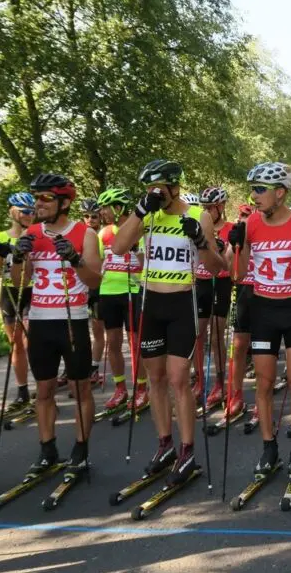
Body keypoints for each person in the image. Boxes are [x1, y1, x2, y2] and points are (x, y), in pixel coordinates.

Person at [112, 159, 224, 486]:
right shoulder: (149, 215)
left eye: (157, 187)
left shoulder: (197, 216)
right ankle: (165, 444)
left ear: (174, 186)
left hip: (181, 302)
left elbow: (216, 267)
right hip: (152, 301)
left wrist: (201, 242)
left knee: (178, 378)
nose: (153, 193)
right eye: (148, 187)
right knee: (155, 377)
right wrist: (139, 211)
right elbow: (119, 247)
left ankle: (187, 449)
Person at [231, 162, 291, 479]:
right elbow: (240, 274)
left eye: (260, 189)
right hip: (263, 310)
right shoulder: (252, 225)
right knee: (263, 382)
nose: (255, 195)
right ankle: (269, 447)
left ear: (280, 193)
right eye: (254, 189)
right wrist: (237, 245)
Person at [10, 174, 102, 477]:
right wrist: (19, 257)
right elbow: (17, 282)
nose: (38, 204)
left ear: (64, 202)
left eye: (45, 198)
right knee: (45, 390)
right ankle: (47, 449)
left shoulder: (84, 233)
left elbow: (94, 281)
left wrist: (74, 258)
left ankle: (81, 448)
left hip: (71, 320)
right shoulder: (33, 232)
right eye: (36, 198)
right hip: (39, 321)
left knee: (79, 388)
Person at [95, 188, 149, 413]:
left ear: (118, 208)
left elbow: (145, 262)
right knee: (113, 342)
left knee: (135, 342)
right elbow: (98, 262)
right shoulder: (104, 232)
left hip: (132, 289)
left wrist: (135, 251)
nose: (102, 212)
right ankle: (120, 388)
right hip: (109, 291)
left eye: (106, 207)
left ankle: (142, 388)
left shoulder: (140, 229)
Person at [191, 187, 234, 412]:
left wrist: (223, 250)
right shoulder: (198, 226)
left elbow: (230, 265)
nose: (206, 211)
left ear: (221, 207)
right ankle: (199, 380)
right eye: (204, 207)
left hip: (222, 282)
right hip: (201, 281)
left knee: (217, 334)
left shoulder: (230, 229)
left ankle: (219, 382)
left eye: (210, 207)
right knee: (198, 333)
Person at [0, 192, 35, 410]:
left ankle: (42, 389)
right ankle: (22, 392)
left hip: (33, 292)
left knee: (32, 343)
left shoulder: (37, 234)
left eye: (32, 212)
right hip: (10, 294)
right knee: (16, 346)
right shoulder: (2, 237)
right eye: (25, 212)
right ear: (13, 211)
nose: (29, 215)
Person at [230, 203, 255, 418]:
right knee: (238, 346)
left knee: (265, 350)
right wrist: (234, 245)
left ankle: (261, 400)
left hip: (267, 291)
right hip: (244, 290)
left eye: (250, 213)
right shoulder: (240, 229)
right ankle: (235, 395)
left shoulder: (268, 228)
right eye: (244, 214)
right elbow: (231, 270)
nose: (246, 217)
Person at [81, 198, 105, 385]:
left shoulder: (104, 235)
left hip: (99, 288)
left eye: (94, 216)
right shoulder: (78, 234)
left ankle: (94, 368)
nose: (90, 219)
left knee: (97, 329)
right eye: (86, 216)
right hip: (79, 288)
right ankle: (72, 368)